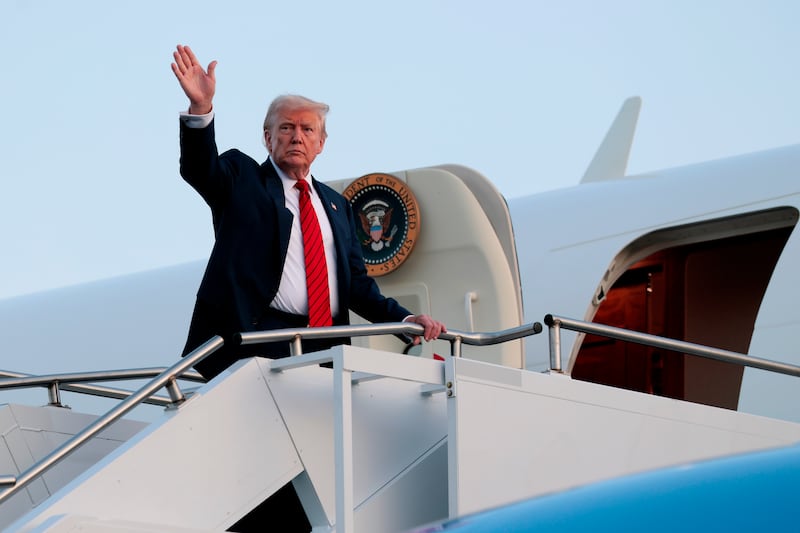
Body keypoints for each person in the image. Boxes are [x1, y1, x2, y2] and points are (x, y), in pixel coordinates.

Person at [171, 44, 447, 381]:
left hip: (327, 349)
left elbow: (357, 287)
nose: (297, 137)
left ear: (321, 143)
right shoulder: (242, 179)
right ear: (268, 138)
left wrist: (404, 321)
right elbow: (200, 170)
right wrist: (201, 107)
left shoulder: (337, 205)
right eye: (286, 128)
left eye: (307, 129)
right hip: (260, 344)